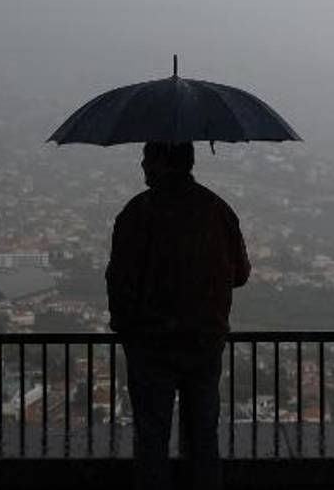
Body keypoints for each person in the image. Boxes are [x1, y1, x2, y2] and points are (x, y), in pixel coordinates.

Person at [105, 141, 251, 490]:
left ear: (159, 163)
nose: (141, 165)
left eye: (146, 158)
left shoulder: (137, 213)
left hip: (150, 345)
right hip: (204, 341)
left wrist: (126, 327)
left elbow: (119, 279)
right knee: (203, 436)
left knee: (152, 439)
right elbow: (241, 273)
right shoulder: (217, 210)